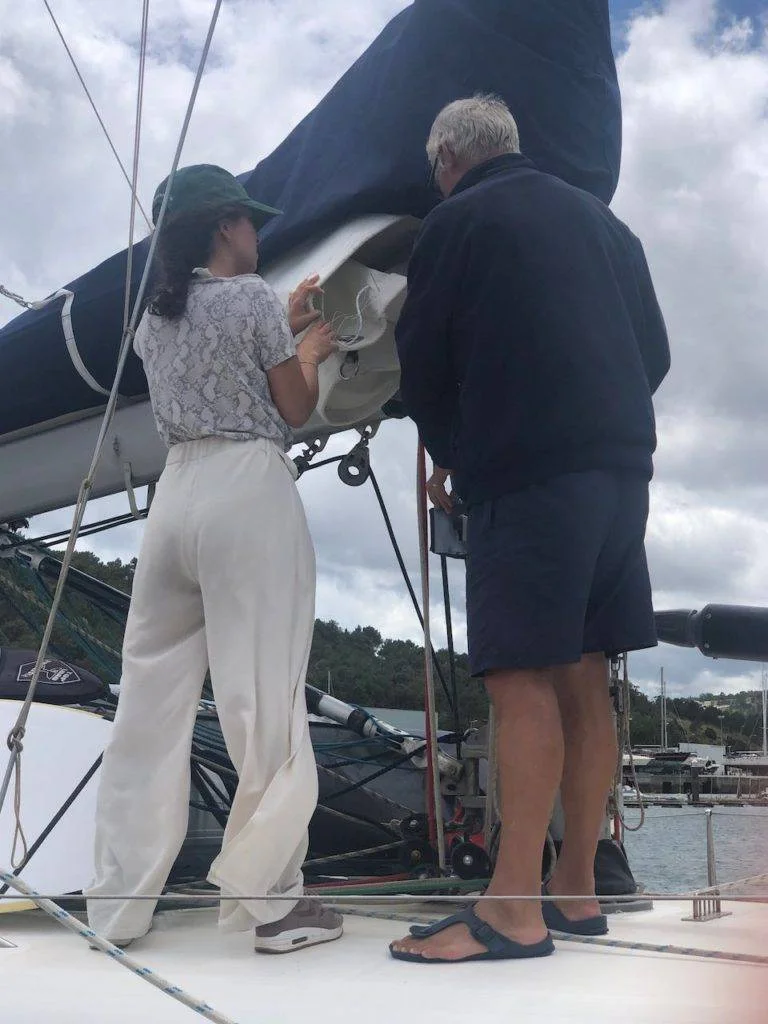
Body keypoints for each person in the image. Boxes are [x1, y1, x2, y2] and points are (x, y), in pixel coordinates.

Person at [390, 96, 670, 964]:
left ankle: (512, 909)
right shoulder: (607, 227)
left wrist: (456, 454)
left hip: (528, 477)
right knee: (586, 675)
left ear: (446, 161)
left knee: (519, 681)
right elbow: (653, 354)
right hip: (622, 477)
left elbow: (423, 360)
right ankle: (575, 890)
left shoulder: (454, 222)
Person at [85, 164, 344, 954]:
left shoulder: (152, 317)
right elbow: (293, 406)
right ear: (226, 224)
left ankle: (118, 907)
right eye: (249, 221)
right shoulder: (254, 300)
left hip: (175, 499)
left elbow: (216, 363)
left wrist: (283, 327)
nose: (258, 233)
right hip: (244, 488)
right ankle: (273, 906)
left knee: (149, 702)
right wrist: (310, 345)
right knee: (261, 694)